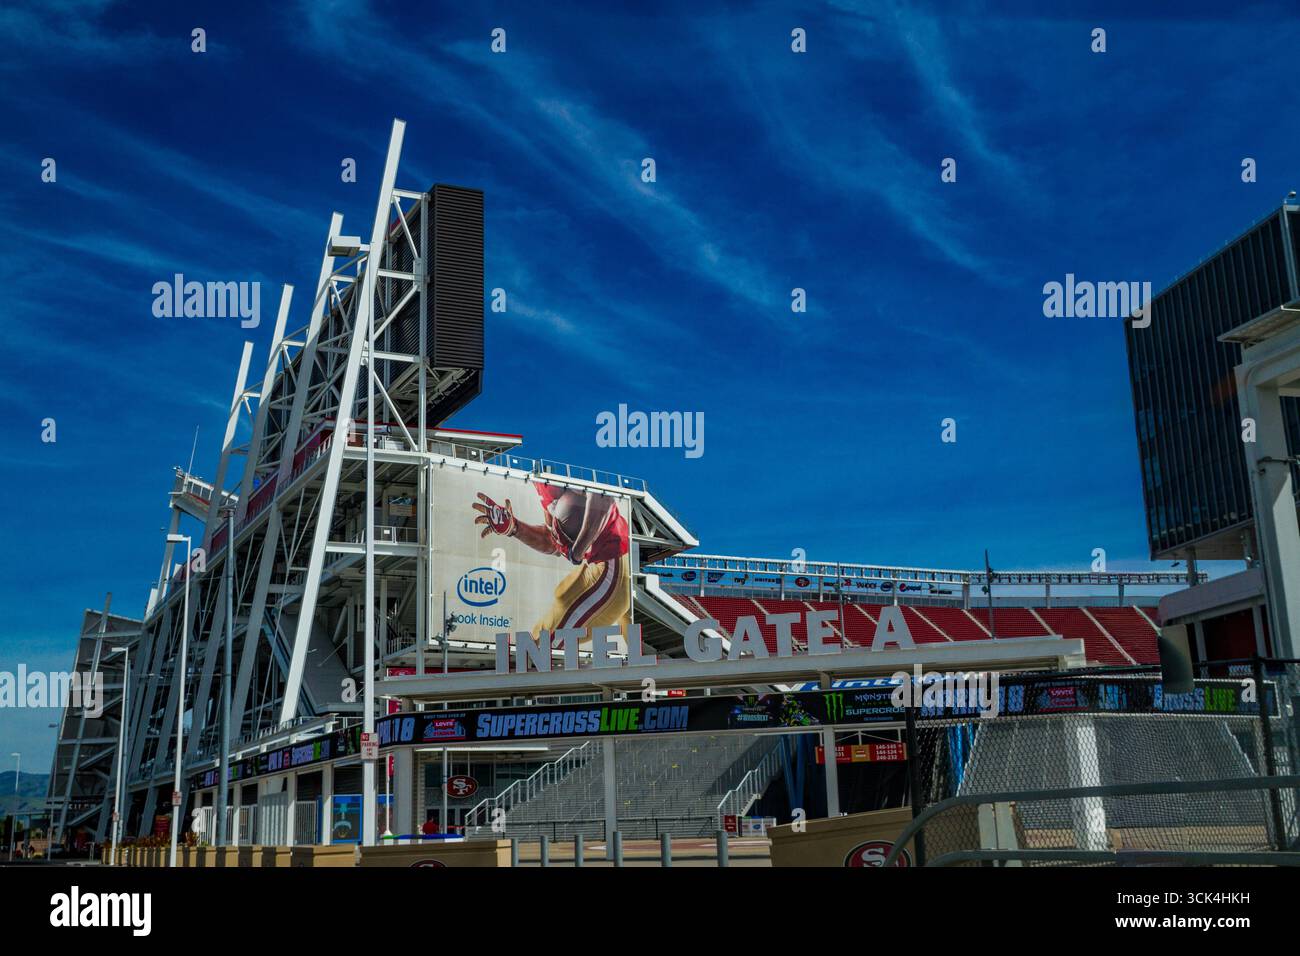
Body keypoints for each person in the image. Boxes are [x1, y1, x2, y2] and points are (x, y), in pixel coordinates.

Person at [472, 484, 630, 645]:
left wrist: (576, 551)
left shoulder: (562, 469)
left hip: (611, 567)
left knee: (540, 647)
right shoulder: (541, 479)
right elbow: (553, 542)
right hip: (598, 566)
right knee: (540, 639)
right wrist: (514, 528)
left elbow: (602, 497)